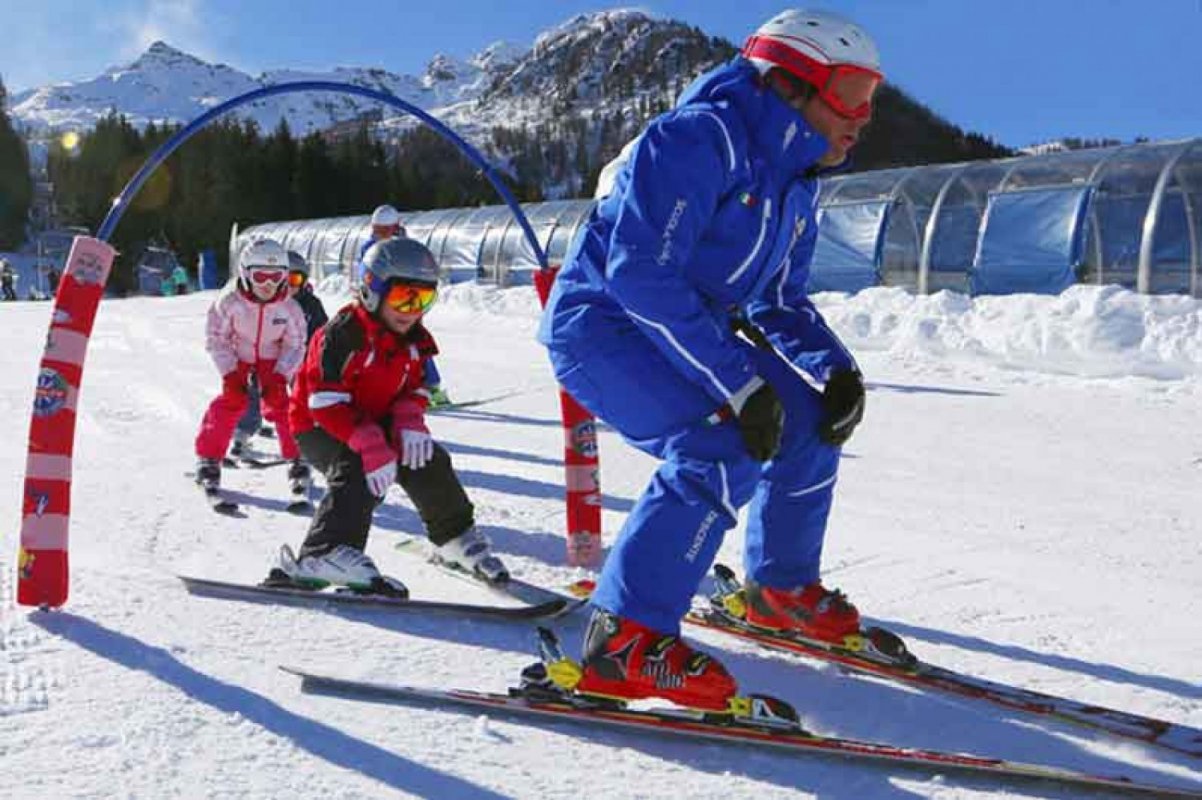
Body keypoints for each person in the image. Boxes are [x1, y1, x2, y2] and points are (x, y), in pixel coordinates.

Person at [536, 8, 879, 711]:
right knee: (720, 445)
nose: (862, 115)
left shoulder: (796, 183)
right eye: (849, 90)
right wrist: (740, 384)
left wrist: (835, 368)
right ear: (791, 84)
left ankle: (780, 590)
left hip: (689, 325)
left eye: (871, 95)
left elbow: (778, 299)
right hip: (602, 326)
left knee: (808, 425)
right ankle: (624, 640)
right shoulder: (697, 139)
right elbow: (640, 275)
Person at [269, 237, 506, 594]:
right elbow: (324, 402)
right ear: (371, 290)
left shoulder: (412, 340)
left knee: (428, 459)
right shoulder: (342, 335)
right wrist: (368, 442)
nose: (411, 310)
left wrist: (410, 421)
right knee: (359, 466)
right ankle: (323, 551)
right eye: (402, 297)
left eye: (423, 299)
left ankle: (453, 537)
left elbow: (416, 388)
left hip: (373, 419)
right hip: (318, 424)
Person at [194, 239, 307, 494]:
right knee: (231, 402)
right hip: (239, 355)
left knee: (283, 404)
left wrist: (281, 375)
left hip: (272, 357)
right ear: (245, 273)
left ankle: (297, 458)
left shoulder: (288, 307)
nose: (268, 285)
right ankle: (209, 457)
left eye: (275, 276)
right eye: (260, 276)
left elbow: (296, 344)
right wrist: (230, 373)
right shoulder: (230, 301)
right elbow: (216, 338)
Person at [230, 250, 328, 461]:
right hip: (267, 359)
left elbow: (322, 332)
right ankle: (243, 432)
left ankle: (306, 436)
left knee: (304, 394)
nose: (289, 286)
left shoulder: (310, 304)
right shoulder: (263, 303)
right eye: (285, 279)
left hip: (298, 359)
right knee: (253, 389)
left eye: (296, 279)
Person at [357, 204, 452, 408]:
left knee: (413, 343)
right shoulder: (368, 248)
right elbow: (363, 273)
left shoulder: (407, 246)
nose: (378, 234)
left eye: (383, 230)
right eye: (376, 230)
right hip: (379, 306)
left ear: (395, 227)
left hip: (405, 303)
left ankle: (432, 387)